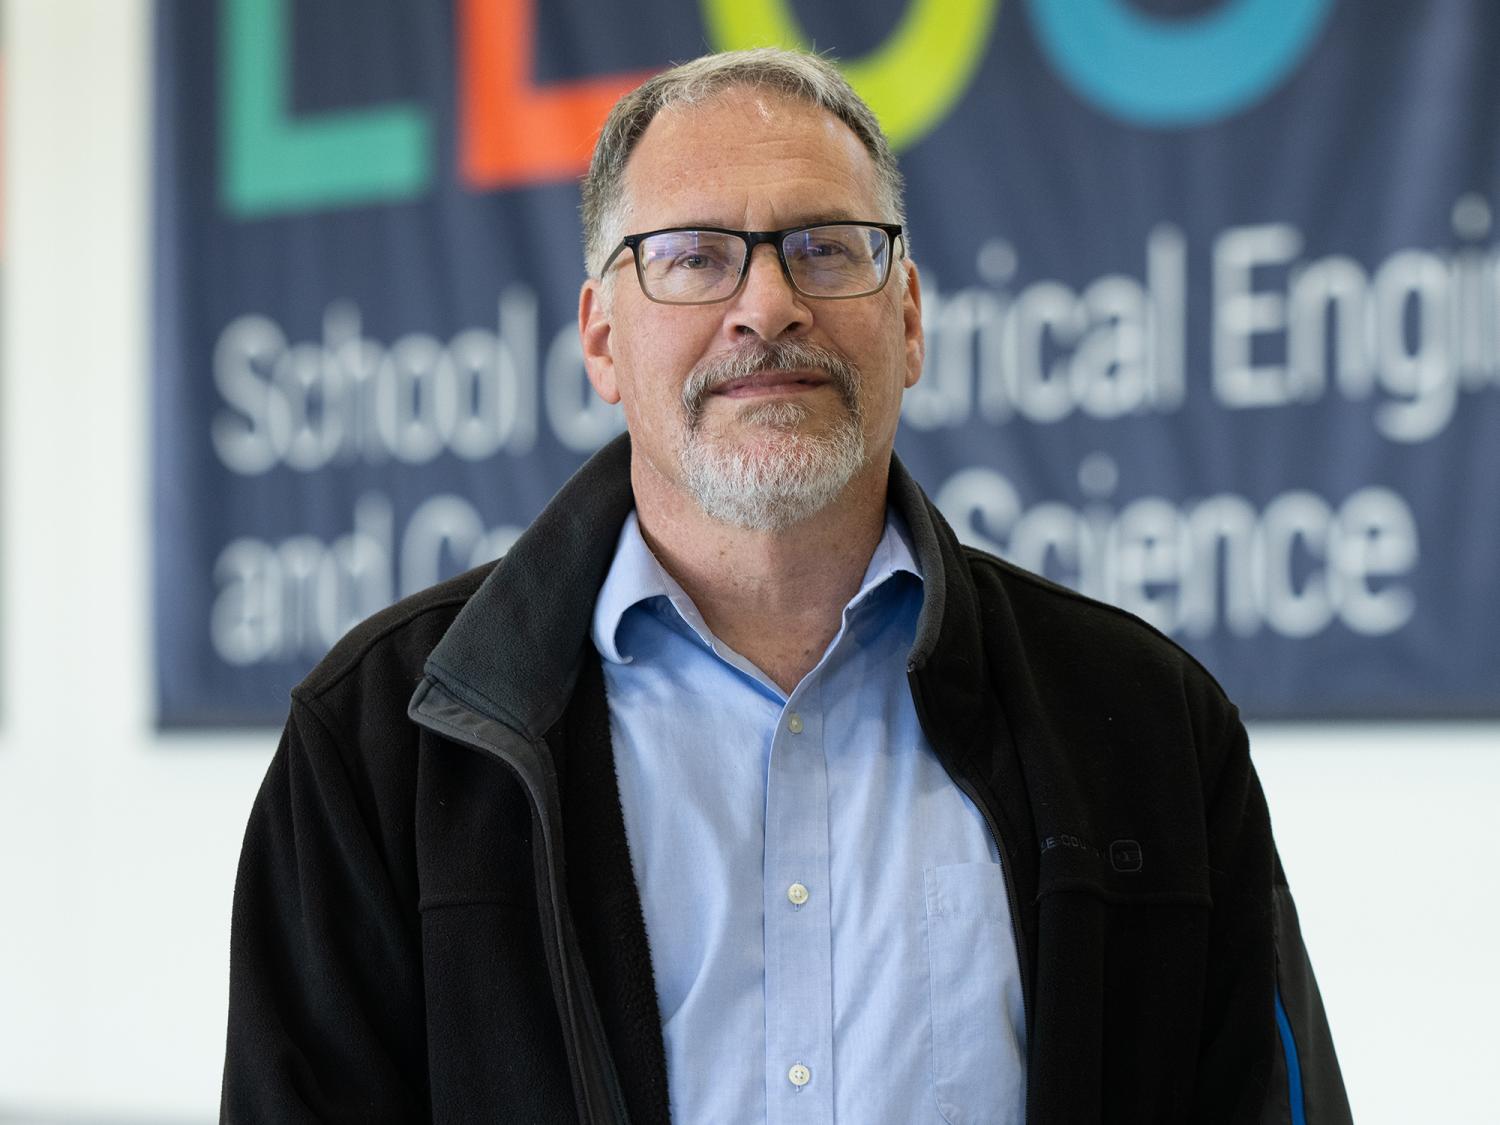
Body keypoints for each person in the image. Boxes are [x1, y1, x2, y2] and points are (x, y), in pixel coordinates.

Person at [221, 47, 1350, 1124]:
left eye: (824, 246)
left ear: (906, 320)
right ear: (602, 339)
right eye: (695, 257)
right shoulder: (382, 745)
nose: (767, 306)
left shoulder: (1146, 724)